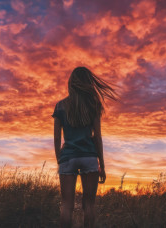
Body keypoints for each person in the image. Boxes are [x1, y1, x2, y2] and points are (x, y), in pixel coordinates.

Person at [52, 66, 119, 228]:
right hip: (89, 157)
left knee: (66, 205)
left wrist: (59, 159)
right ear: (88, 83)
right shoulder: (93, 106)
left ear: (71, 83)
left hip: (68, 157)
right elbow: (97, 137)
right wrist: (101, 164)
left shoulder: (60, 106)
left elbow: (56, 137)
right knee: (89, 205)